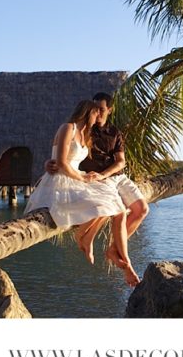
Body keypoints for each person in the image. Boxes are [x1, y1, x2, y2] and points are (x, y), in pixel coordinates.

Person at [24, 99, 140, 286]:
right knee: (107, 203)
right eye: (96, 113)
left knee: (115, 206)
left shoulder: (84, 134)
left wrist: (85, 178)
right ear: (88, 112)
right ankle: (86, 239)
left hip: (77, 178)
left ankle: (96, 244)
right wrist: (82, 178)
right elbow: (61, 163)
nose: (98, 117)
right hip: (62, 181)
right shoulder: (67, 128)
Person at [46, 92, 149, 275]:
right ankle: (126, 262)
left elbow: (121, 161)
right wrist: (49, 163)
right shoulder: (85, 129)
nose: (97, 114)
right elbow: (63, 153)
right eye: (94, 110)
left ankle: (113, 248)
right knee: (115, 208)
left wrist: (104, 174)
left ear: (109, 110)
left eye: (101, 110)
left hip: (114, 176)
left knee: (142, 209)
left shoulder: (114, 132)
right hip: (93, 179)